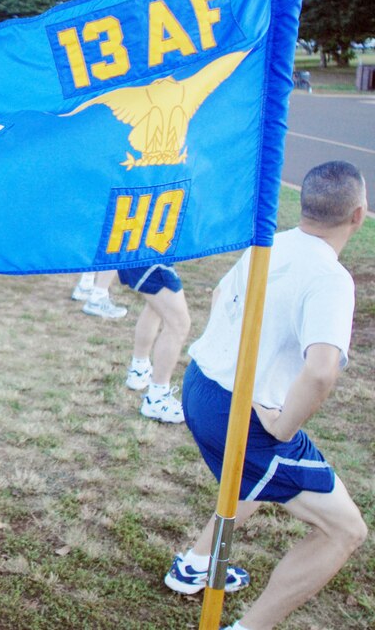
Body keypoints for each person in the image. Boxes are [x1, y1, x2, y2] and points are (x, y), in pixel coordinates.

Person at [165, 161, 368, 630]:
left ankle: (197, 563)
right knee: (345, 530)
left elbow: (219, 295)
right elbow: (320, 374)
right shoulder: (331, 278)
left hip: (199, 386)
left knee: (251, 478)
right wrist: (280, 425)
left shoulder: (270, 242)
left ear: (304, 205)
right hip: (244, 415)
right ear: (359, 214)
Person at [118, 264, 189, 423]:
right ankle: (157, 398)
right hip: (150, 255)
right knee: (179, 324)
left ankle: (139, 370)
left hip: (148, 253)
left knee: (155, 307)